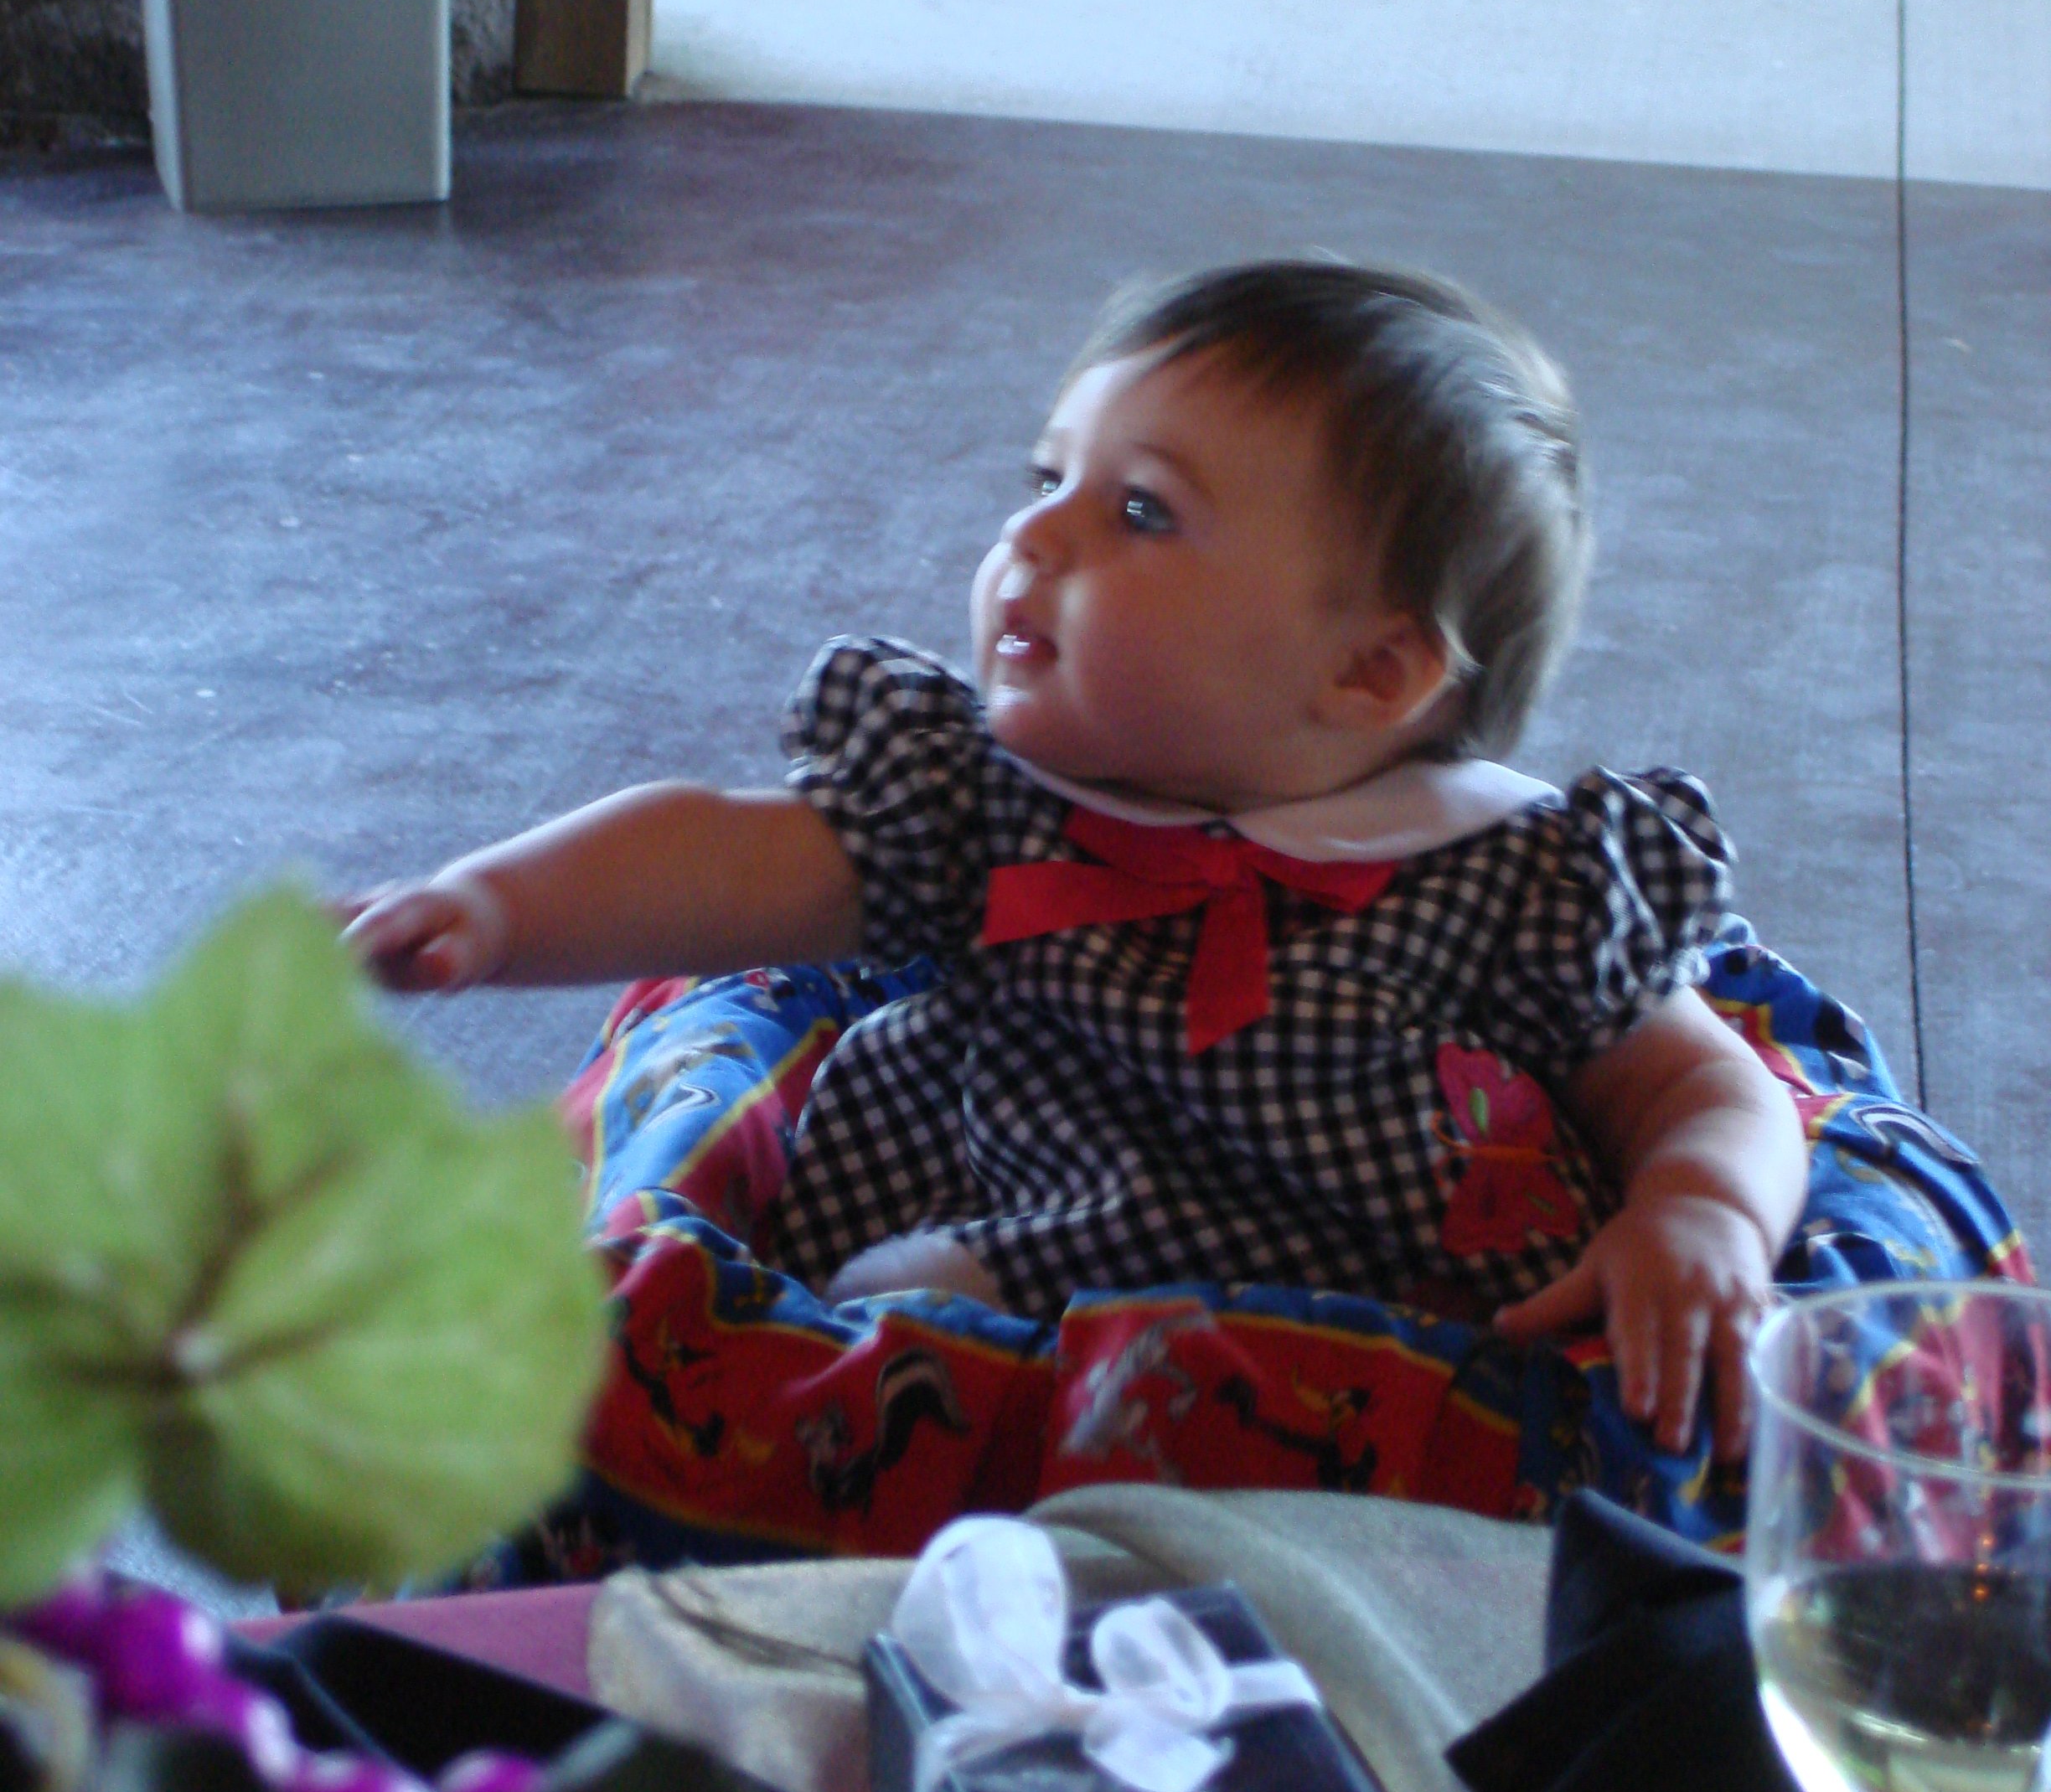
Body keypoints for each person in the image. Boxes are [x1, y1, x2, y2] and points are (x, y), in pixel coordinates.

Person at [345, 259, 1807, 1470]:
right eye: (1049, 476)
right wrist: (494, 907)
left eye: (1141, 511)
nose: (1032, 533)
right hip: (990, 1255)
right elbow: (722, 855)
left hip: (1342, 1347)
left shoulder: (1509, 878)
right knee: (847, 1337)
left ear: (1371, 673)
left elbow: (1701, 1083)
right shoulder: (978, 803)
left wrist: (1699, 1211)